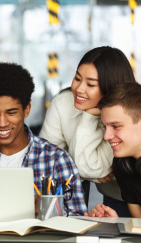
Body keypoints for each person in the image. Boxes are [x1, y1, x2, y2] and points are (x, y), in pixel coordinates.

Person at [0, 62, 87, 216]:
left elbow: (78, 219)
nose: (2, 123)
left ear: (26, 110)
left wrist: (46, 214)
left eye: (11, 113)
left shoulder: (56, 160)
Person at [39, 46, 135, 216]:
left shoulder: (124, 112)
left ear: (110, 88)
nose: (79, 89)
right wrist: (85, 174)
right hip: (110, 198)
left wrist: (90, 117)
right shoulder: (62, 104)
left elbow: (95, 168)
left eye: (90, 84)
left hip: (130, 194)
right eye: (77, 78)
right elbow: (47, 161)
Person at [86, 82, 141, 218]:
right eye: (105, 127)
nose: (106, 136)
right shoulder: (123, 165)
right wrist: (117, 223)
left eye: (116, 126)